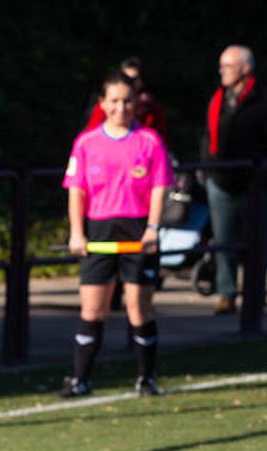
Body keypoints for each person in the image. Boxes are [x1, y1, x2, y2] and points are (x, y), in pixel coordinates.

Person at [61, 71, 173, 398]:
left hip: (138, 229)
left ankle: (146, 378)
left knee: (139, 306)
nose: (121, 108)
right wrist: (77, 232)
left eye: (127, 101)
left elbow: (159, 187)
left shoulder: (150, 140)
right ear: (102, 104)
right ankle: (81, 379)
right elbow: (76, 191)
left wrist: (153, 228)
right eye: (114, 101)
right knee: (92, 308)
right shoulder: (86, 142)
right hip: (99, 229)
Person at [200, 45, 267, 315]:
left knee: (256, 242)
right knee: (224, 242)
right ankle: (226, 293)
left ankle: (256, 294)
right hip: (220, 181)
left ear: (244, 68)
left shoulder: (265, 101)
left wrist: (266, 178)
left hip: (254, 184)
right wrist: (207, 170)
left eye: (227, 66)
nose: (222, 71)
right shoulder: (218, 99)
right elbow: (207, 136)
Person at [85, 57, 167, 138]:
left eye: (134, 79)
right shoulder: (108, 104)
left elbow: (160, 138)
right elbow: (91, 134)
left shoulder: (150, 107)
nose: (121, 108)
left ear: (141, 81)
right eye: (125, 77)